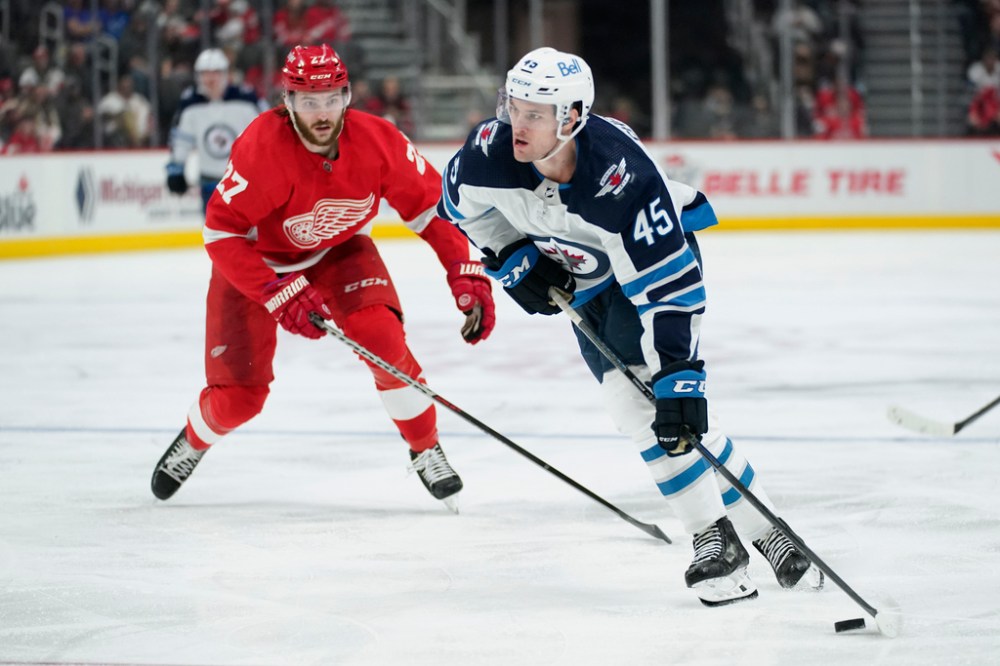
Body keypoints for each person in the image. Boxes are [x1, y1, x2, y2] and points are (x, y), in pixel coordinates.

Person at [436, 47, 823, 606]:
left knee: (647, 404)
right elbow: (460, 205)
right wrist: (511, 252)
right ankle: (769, 532)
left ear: (571, 118)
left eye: (535, 114)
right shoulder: (487, 153)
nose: (517, 124)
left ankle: (717, 543)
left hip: (646, 272)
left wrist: (681, 374)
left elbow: (670, 288)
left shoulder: (622, 177)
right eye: (513, 106)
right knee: (656, 413)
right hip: (582, 274)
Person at [151, 44, 496, 510]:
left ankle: (425, 446)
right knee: (240, 399)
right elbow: (221, 232)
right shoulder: (262, 148)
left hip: (339, 251)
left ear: (348, 96)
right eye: (309, 101)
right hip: (256, 265)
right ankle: (194, 439)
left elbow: (432, 209)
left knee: (384, 343)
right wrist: (275, 290)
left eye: (331, 99)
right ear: (287, 101)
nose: (322, 113)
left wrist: (463, 267)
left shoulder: (378, 140)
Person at [165, 48, 266, 212]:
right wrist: (176, 169)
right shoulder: (190, 103)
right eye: (205, 73)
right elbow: (181, 140)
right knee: (215, 234)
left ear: (226, 74)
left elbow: (267, 133)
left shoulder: (247, 99)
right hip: (209, 180)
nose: (210, 78)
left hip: (246, 180)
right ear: (198, 76)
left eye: (216, 72)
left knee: (251, 232)